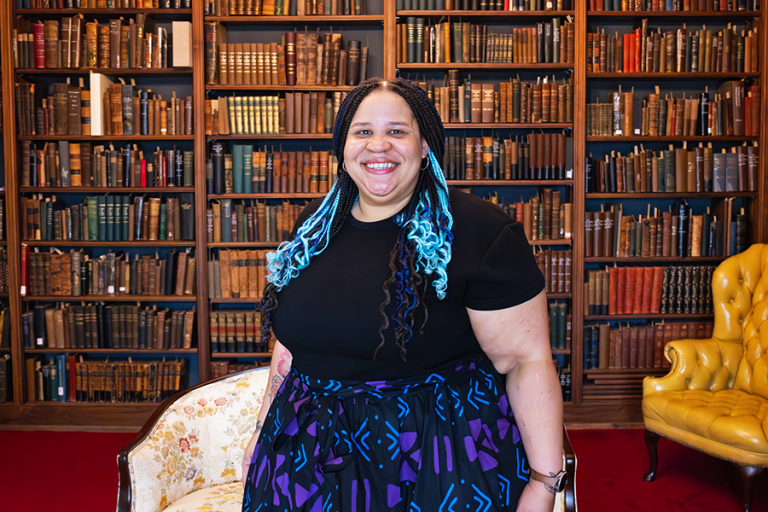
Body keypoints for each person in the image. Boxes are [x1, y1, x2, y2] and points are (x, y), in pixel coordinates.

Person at [241, 77, 563, 512]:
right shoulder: (314, 225)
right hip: (306, 455)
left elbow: (525, 360)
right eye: (363, 132)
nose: (378, 146)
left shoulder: (482, 231)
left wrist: (545, 482)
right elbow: (293, 345)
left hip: (435, 455)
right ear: (343, 148)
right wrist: (262, 431)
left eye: (396, 131)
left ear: (425, 146)